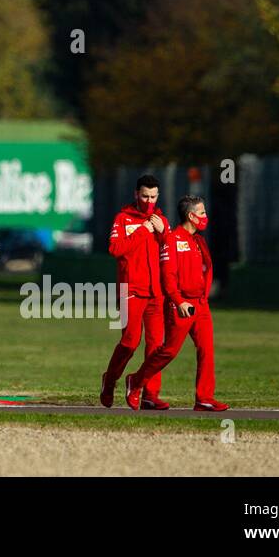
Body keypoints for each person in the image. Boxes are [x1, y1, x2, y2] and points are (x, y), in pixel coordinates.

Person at [127, 196, 228, 411]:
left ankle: (204, 398)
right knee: (169, 351)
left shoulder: (199, 241)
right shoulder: (172, 240)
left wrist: (204, 297)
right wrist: (178, 301)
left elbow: (205, 271)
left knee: (206, 350)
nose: (205, 217)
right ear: (191, 215)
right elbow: (168, 276)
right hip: (181, 304)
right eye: (202, 213)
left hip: (200, 305)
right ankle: (135, 382)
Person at [99, 174, 168, 409]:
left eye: (153, 196)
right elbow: (115, 249)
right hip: (131, 290)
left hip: (156, 292)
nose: (149, 201)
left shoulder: (161, 219)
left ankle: (148, 392)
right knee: (129, 342)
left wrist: (163, 233)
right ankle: (110, 380)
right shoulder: (123, 218)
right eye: (145, 196)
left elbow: (170, 253)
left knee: (156, 346)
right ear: (136, 194)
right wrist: (143, 229)